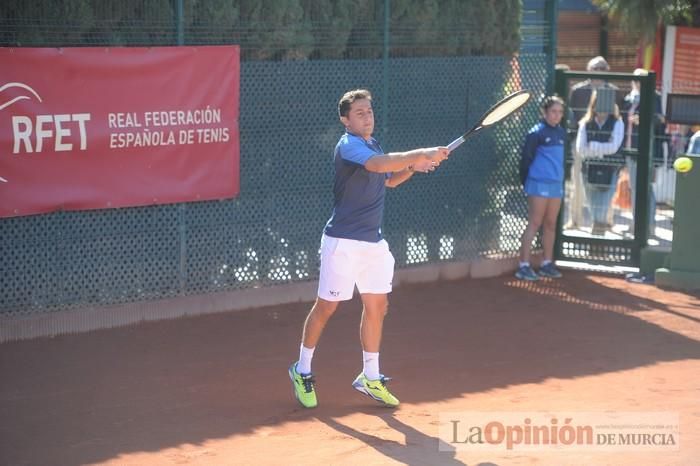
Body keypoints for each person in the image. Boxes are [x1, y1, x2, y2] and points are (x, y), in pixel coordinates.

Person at [288, 89, 450, 409]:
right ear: (345, 119)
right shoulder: (349, 145)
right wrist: (421, 152)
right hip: (343, 243)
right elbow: (377, 167)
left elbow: (388, 179)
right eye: (360, 112)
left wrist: (415, 167)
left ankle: (370, 377)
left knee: (378, 306)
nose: (367, 116)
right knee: (327, 307)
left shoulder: (373, 144)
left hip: (373, 244)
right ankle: (302, 369)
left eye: (370, 111)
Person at [515, 95, 566, 281]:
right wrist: (525, 183)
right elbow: (525, 161)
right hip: (538, 184)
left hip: (555, 185)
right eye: (553, 111)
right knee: (535, 223)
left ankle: (546, 263)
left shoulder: (561, 133)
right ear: (544, 112)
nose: (557, 115)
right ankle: (524, 265)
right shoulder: (535, 133)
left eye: (560, 112)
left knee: (551, 224)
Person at [567, 56, 620, 229]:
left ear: (607, 70)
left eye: (602, 68)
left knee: (607, 183)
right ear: (588, 69)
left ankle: (606, 220)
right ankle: (574, 220)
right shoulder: (578, 90)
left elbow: (618, 116)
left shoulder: (614, 90)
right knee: (578, 181)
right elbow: (572, 117)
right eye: (595, 68)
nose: (599, 71)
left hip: (607, 145)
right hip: (582, 143)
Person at [621, 68, 666, 235]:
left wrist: (644, 119)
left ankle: (649, 226)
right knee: (634, 188)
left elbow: (660, 119)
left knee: (646, 189)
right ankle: (636, 224)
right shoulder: (629, 98)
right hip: (630, 149)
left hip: (647, 151)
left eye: (641, 79)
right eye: (636, 79)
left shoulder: (654, 96)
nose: (638, 82)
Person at [576, 89, 624, 235]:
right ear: (594, 104)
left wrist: (593, 147)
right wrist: (602, 149)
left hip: (610, 170)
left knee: (602, 206)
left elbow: (614, 147)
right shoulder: (585, 123)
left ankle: (597, 237)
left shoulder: (617, 122)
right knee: (592, 205)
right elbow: (580, 148)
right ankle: (597, 237)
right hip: (589, 169)